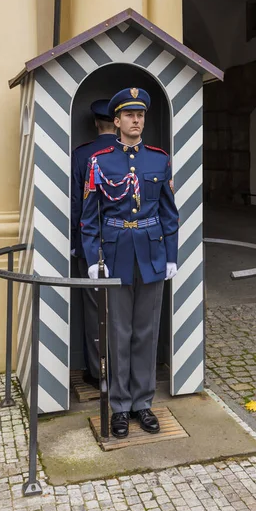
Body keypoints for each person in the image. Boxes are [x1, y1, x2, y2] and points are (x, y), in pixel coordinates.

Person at [80, 87, 179, 438]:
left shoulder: (159, 159)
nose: (136, 120)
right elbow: (89, 217)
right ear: (117, 121)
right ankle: (120, 407)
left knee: (146, 332)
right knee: (119, 333)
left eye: (140, 115)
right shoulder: (100, 161)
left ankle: (143, 403)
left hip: (151, 254)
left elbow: (169, 213)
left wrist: (172, 255)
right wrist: (93, 258)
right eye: (129, 115)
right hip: (116, 254)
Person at [71, 99, 118, 388]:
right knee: (124, 309)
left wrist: (78, 242)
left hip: (91, 244)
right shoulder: (131, 153)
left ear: (95, 123)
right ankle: (122, 369)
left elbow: (78, 204)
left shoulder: (81, 155)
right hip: (126, 242)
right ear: (118, 120)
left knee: (93, 309)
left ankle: (98, 371)